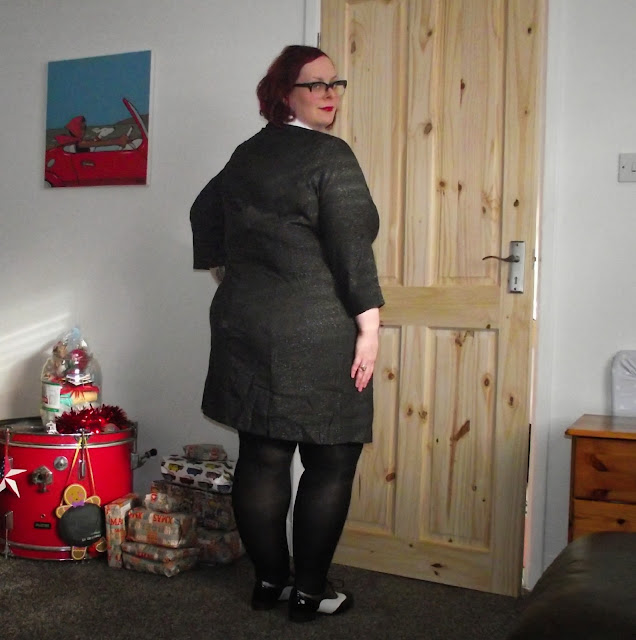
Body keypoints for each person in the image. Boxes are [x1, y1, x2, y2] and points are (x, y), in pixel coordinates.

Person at [190, 44, 384, 623]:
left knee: (263, 454)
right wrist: (370, 328)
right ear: (284, 93)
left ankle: (270, 581)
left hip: (244, 323)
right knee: (331, 460)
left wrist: (227, 269)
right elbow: (350, 249)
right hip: (316, 329)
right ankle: (309, 591)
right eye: (315, 84)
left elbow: (203, 212)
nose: (330, 94)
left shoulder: (247, 155)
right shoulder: (329, 155)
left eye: (335, 83)